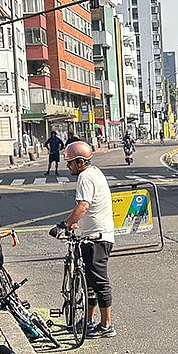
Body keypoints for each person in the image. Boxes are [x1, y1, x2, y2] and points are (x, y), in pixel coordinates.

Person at [59, 140, 116, 337]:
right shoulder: (94, 172)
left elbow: (83, 206)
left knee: (99, 282)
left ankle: (106, 325)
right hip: (92, 235)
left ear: (81, 162)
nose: (68, 166)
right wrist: (76, 223)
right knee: (90, 283)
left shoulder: (85, 177)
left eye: (70, 163)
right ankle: (90, 321)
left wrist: (64, 224)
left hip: (97, 238)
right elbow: (90, 209)